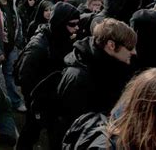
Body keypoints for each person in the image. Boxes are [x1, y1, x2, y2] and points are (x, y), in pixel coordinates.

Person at [54, 18, 137, 148]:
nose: (134, 52)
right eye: (130, 47)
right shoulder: (79, 77)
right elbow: (73, 126)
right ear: (111, 45)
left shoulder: (111, 64)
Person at [17, 2, 80, 149]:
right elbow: (25, 78)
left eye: (78, 24)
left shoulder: (62, 38)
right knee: (31, 130)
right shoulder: (38, 47)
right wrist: (36, 103)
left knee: (56, 135)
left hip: (55, 98)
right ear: (60, 23)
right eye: (72, 24)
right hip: (40, 99)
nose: (76, 28)